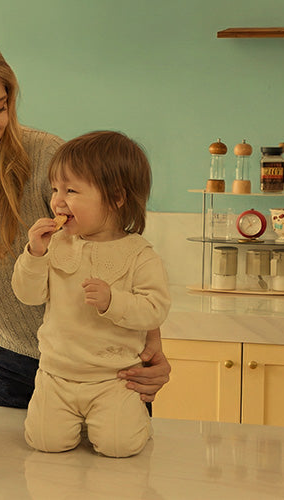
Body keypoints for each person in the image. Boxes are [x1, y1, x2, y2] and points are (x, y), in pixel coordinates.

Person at [0, 27, 170, 409]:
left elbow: (118, 251)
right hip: (13, 368)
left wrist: (151, 345)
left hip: (102, 367)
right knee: (14, 470)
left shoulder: (45, 161)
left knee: (117, 462)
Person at [11, 130, 170, 457]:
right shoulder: (55, 244)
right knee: (44, 441)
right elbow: (27, 295)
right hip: (56, 374)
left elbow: (155, 309)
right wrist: (34, 254)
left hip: (114, 379)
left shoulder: (139, 254)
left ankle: (128, 421)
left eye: (70, 190)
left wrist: (114, 302)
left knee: (118, 446)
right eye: (55, 189)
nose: (57, 200)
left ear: (116, 197)